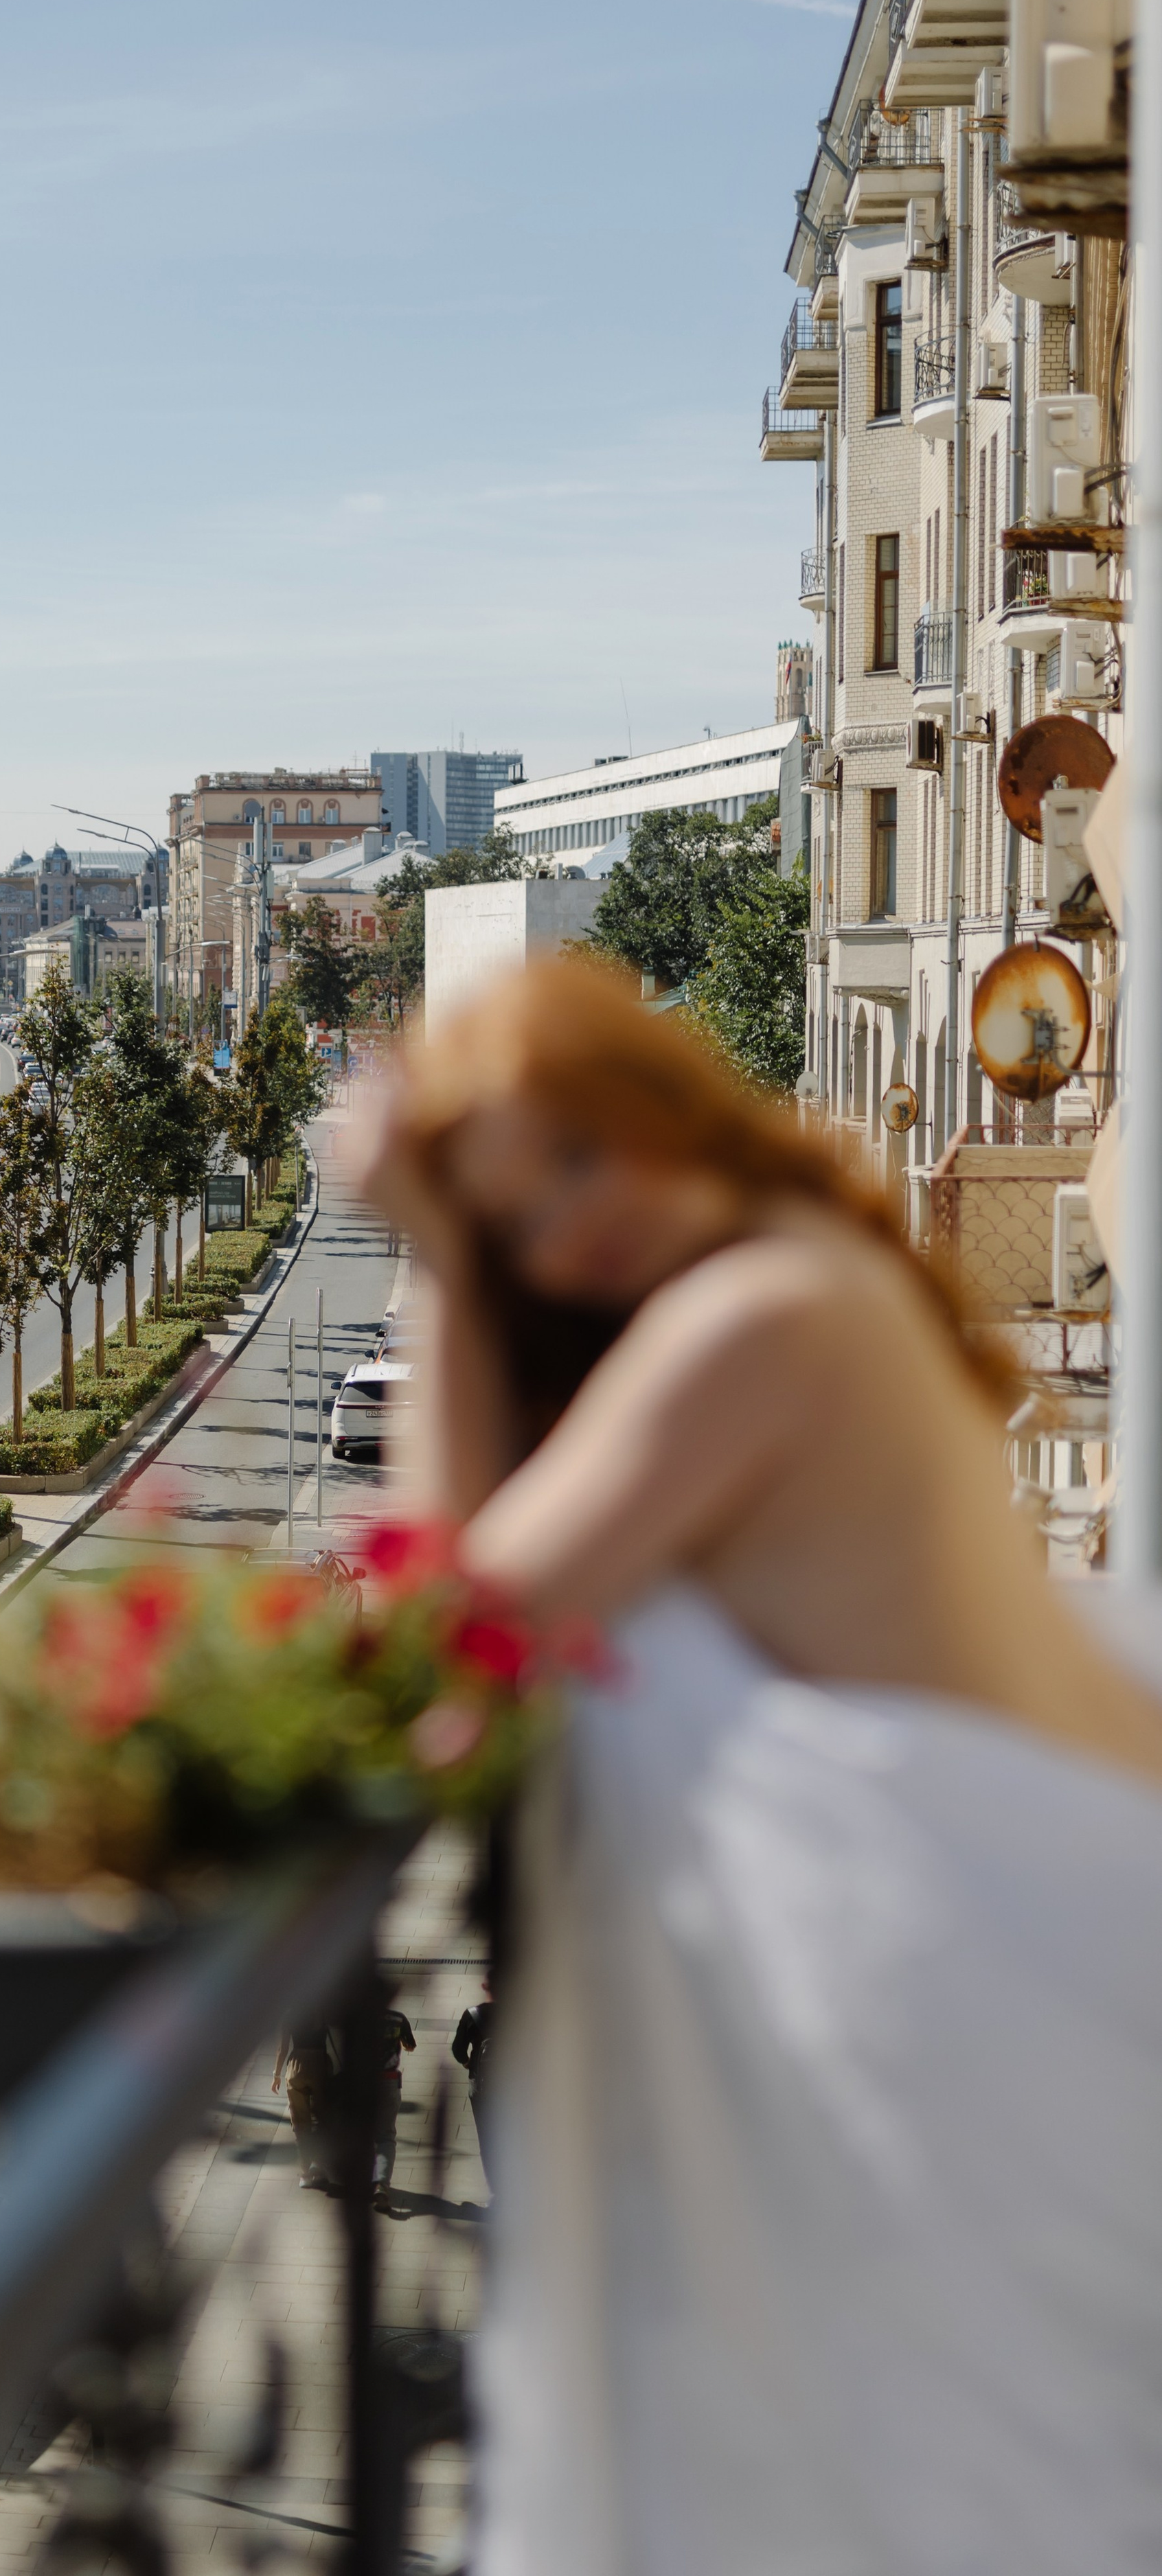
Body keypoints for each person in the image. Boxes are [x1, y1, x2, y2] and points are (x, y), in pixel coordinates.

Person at [360, 954, 1162, 2576]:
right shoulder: (797, 1274)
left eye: (575, 1159)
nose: (561, 1231)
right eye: (517, 1219)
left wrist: (437, 1252)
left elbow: (443, 1641)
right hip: (1015, 1940)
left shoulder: (758, 1317)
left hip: (986, 1974)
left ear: (659, 1108)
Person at [272, 2018, 334, 2192]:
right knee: (322, 2119)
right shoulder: (323, 2010)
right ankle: (319, 2165)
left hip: (296, 2067)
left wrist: (276, 2074)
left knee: (300, 2123)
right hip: (320, 2065)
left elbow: (282, 2049)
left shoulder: (290, 2014)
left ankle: (305, 2173)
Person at [372, 1997, 416, 2211]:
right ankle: (381, 2184)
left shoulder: (358, 2018)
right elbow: (410, 2046)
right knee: (386, 2137)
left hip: (363, 2085)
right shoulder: (398, 2019)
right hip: (390, 2082)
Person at [451, 1975, 494, 2188]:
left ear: (485, 1986)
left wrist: (467, 2062)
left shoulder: (473, 2015)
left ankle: (496, 2189)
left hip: (481, 2087)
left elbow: (457, 2049)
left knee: (487, 2140)